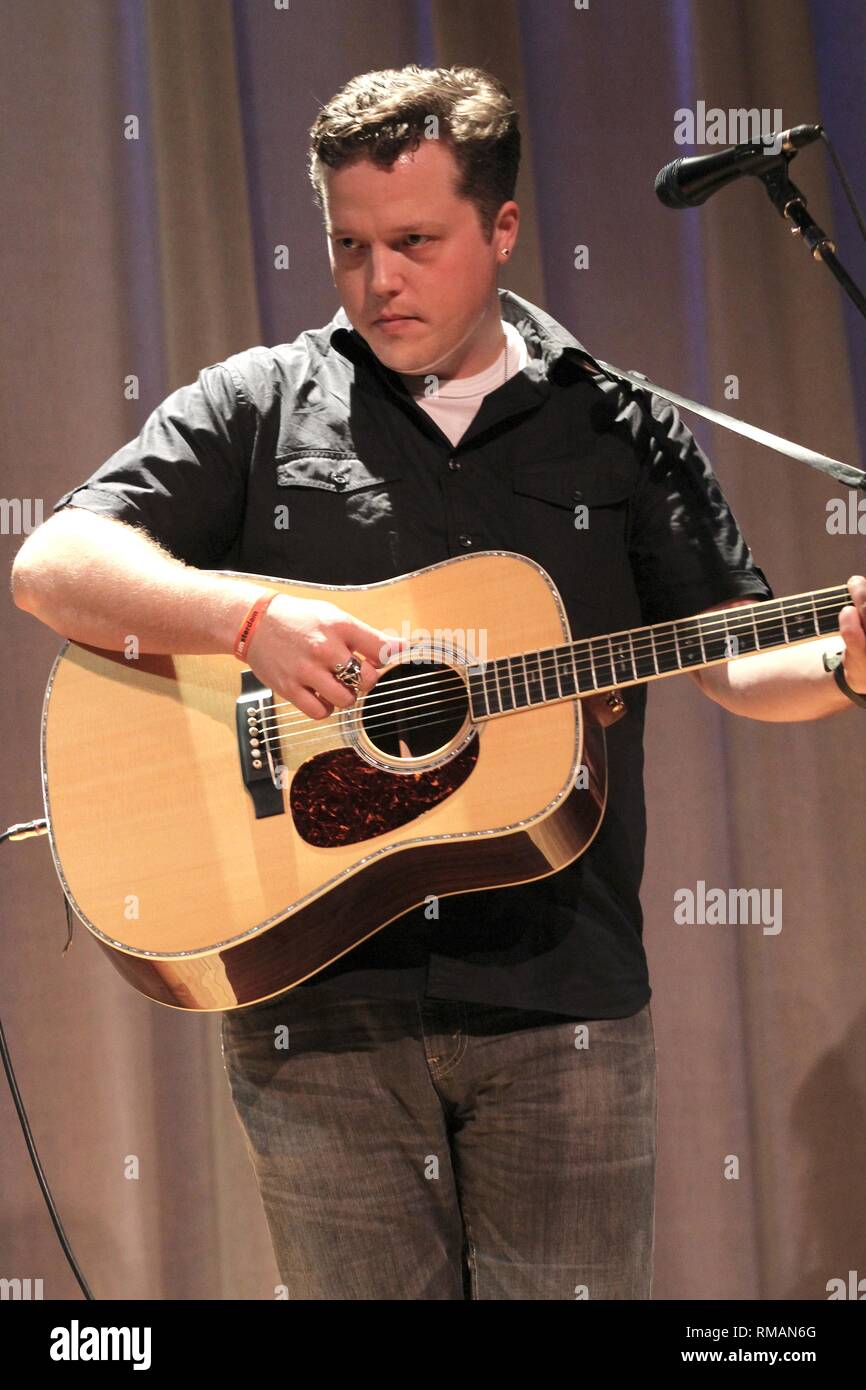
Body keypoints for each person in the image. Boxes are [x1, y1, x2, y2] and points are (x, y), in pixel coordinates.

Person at [11, 65, 866, 1301]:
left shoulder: (616, 427)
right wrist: (245, 616)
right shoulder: (260, 406)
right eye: (348, 245)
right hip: (318, 1001)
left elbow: (732, 651)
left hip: (558, 998)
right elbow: (52, 562)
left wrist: (841, 662)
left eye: (413, 242)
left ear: (502, 229)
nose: (377, 280)